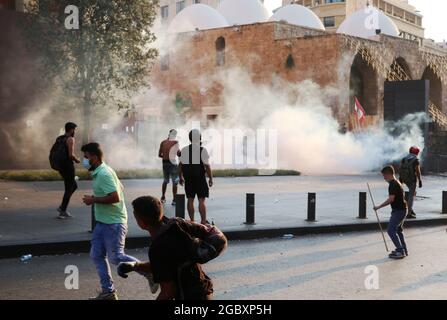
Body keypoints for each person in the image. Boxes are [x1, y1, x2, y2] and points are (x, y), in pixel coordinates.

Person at [117, 196, 227, 300]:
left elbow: (168, 293)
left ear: (142, 223)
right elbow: (169, 264)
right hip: (203, 291)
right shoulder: (176, 224)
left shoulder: (158, 248)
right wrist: (136, 266)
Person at [81, 142, 145, 300]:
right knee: (96, 255)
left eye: (86, 157)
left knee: (116, 257)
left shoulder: (104, 174)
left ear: (94, 157)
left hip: (114, 223)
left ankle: (151, 271)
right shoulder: (103, 170)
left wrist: (93, 200)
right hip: (103, 222)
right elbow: (120, 187)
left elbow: (115, 197)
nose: (84, 160)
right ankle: (108, 292)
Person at [178, 129, 213, 225]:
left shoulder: (184, 150)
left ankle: (192, 222)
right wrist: (210, 178)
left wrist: (180, 177)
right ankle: (203, 222)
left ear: (190, 138)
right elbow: (207, 165)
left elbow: (180, 165)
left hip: (188, 178)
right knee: (201, 200)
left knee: (190, 199)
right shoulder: (202, 150)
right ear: (199, 138)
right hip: (200, 178)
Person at [374, 166, 408, 260]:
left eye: (384, 175)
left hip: (399, 211)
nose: (384, 178)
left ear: (388, 174)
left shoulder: (392, 184)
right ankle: (403, 249)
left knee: (390, 230)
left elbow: (391, 199)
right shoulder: (398, 182)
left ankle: (400, 250)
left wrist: (378, 207)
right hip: (403, 209)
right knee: (398, 230)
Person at [55, 122, 80, 219]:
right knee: (69, 188)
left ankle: (62, 207)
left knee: (73, 186)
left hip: (60, 166)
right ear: (71, 129)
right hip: (68, 166)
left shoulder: (60, 138)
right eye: (75, 129)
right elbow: (70, 155)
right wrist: (77, 160)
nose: (75, 131)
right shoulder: (70, 139)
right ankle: (62, 210)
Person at [399, 146, 423, 219]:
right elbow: (418, 172)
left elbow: (400, 168)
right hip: (412, 180)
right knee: (411, 195)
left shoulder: (404, 159)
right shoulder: (416, 160)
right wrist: (420, 180)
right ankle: (409, 213)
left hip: (404, 178)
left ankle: (410, 209)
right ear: (417, 152)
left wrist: (401, 178)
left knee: (413, 193)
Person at [158, 129, 180, 205]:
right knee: (175, 182)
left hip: (165, 163)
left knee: (165, 180)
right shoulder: (175, 142)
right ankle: (174, 200)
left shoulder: (163, 142)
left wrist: (166, 156)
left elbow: (160, 155)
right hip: (173, 163)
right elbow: (178, 154)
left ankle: (163, 197)